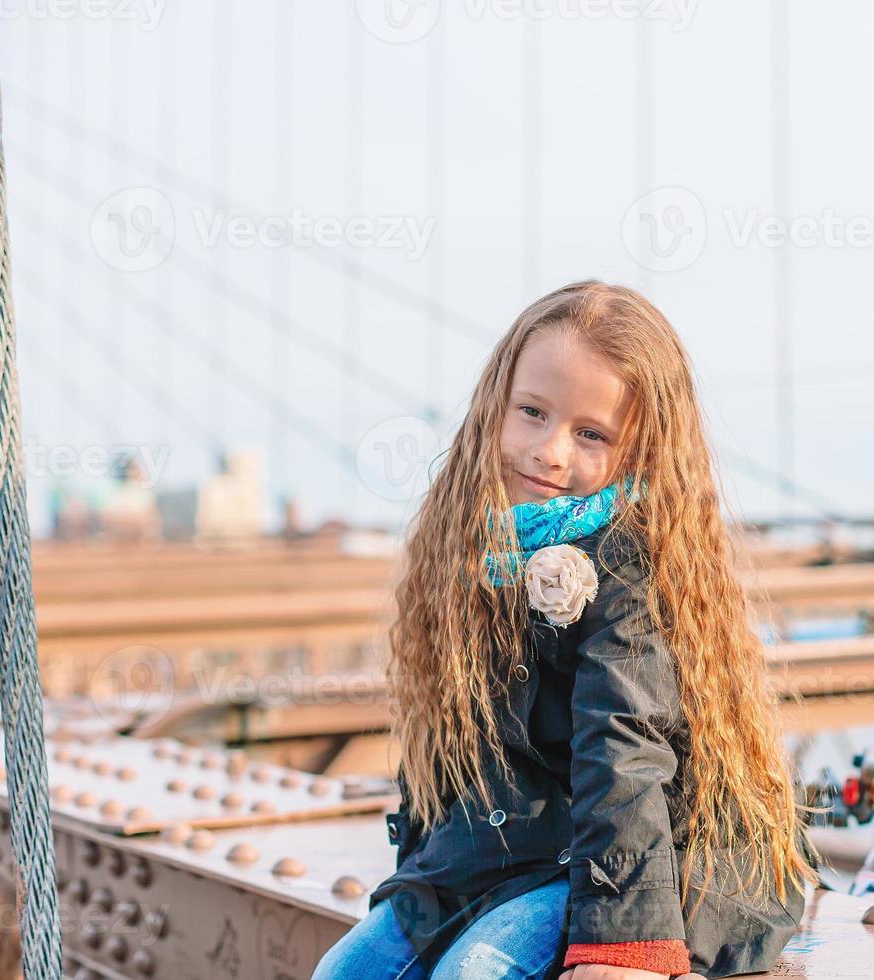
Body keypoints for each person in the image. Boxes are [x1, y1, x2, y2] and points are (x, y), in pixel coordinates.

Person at [314, 281, 822, 980]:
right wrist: (421, 875)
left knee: (475, 973)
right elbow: (455, 744)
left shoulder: (630, 563)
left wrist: (624, 943)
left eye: (591, 434)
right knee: (346, 972)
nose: (550, 451)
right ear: (496, 405)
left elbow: (623, 748)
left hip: (656, 861)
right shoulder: (472, 540)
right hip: (521, 847)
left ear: (640, 451)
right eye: (532, 412)